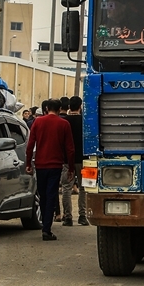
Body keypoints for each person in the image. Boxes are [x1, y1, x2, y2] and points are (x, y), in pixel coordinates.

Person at [25, 99, 74, 241]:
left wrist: (28, 163)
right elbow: (70, 149)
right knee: (51, 195)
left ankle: (45, 224)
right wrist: (71, 168)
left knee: (43, 195)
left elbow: (30, 145)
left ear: (46, 108)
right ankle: (46, 228)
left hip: (40, 164)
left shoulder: (38, 122)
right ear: (59, 110)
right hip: (55, 165)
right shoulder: (64, 124)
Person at [59, 96, 87, 226]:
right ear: (80, 106)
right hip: (83, 159)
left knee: (66, 188)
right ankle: (82, 216)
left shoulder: (64, 121)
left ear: (69, 107)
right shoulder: (85, 121)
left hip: (66, 159)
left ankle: (68, 217)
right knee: (83, 188)